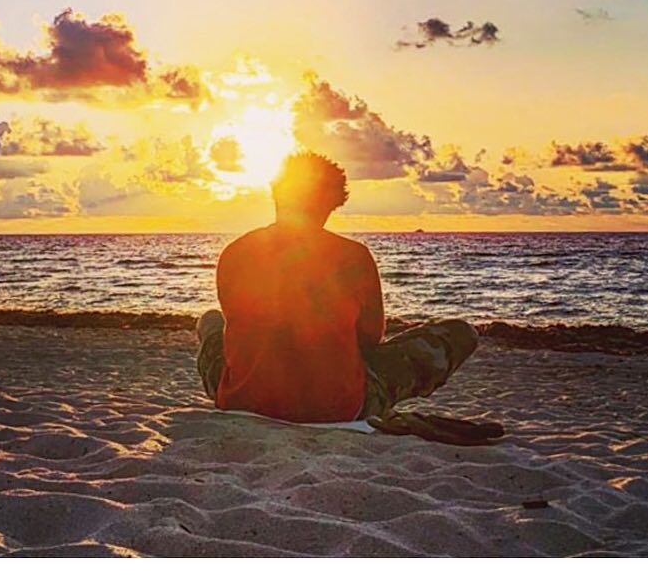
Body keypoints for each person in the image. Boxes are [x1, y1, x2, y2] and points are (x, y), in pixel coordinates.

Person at [196, 151, 480, 423]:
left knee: (210, 321)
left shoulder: (234, 253)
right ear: (333, 202)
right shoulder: (355, 257)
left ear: (276, 192)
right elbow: (370, 338)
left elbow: (241, 329)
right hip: (336, 408)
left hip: (243, 402)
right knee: (461, 332)